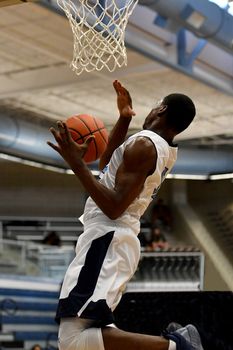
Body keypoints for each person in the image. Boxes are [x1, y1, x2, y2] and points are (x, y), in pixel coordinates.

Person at [47, 80, 204, 350]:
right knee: (89, 335)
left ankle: (177, 346)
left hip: (108, 237)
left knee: (72, 339)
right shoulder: (158, 147)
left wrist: (75, 163)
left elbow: (114, 205)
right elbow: (107, 166)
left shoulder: (143, 145)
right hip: (112, 239)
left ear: (161, 108)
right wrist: (123, 119)